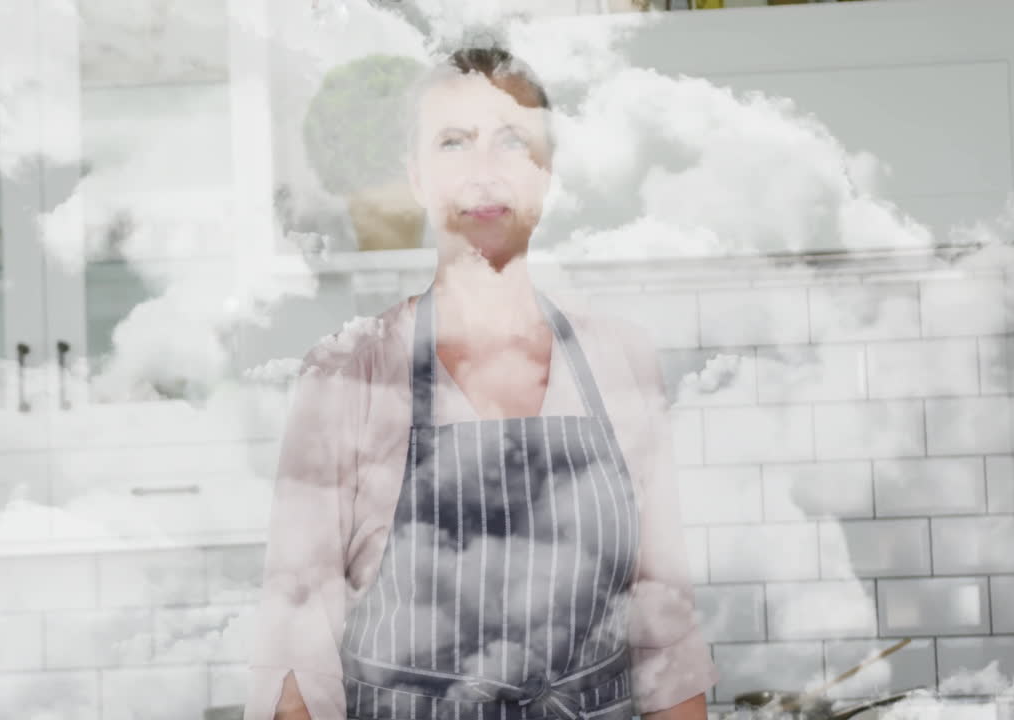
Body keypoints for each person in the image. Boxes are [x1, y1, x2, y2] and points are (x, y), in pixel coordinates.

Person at [244, 45, 718, 720]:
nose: (484, 171)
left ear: (546, 174)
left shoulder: (622, 362)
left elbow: (665, 635)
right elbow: (298, 652)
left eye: (513, 141)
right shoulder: (348, 374)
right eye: (454, 142)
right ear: (416, 177)